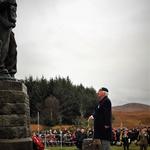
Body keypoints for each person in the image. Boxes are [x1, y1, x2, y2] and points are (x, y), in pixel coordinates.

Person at [0, 0, 17, 78]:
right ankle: (1, 68)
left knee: (13, 46)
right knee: (2, 44)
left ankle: (10, 71)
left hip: (8, 24)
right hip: (2, 23)